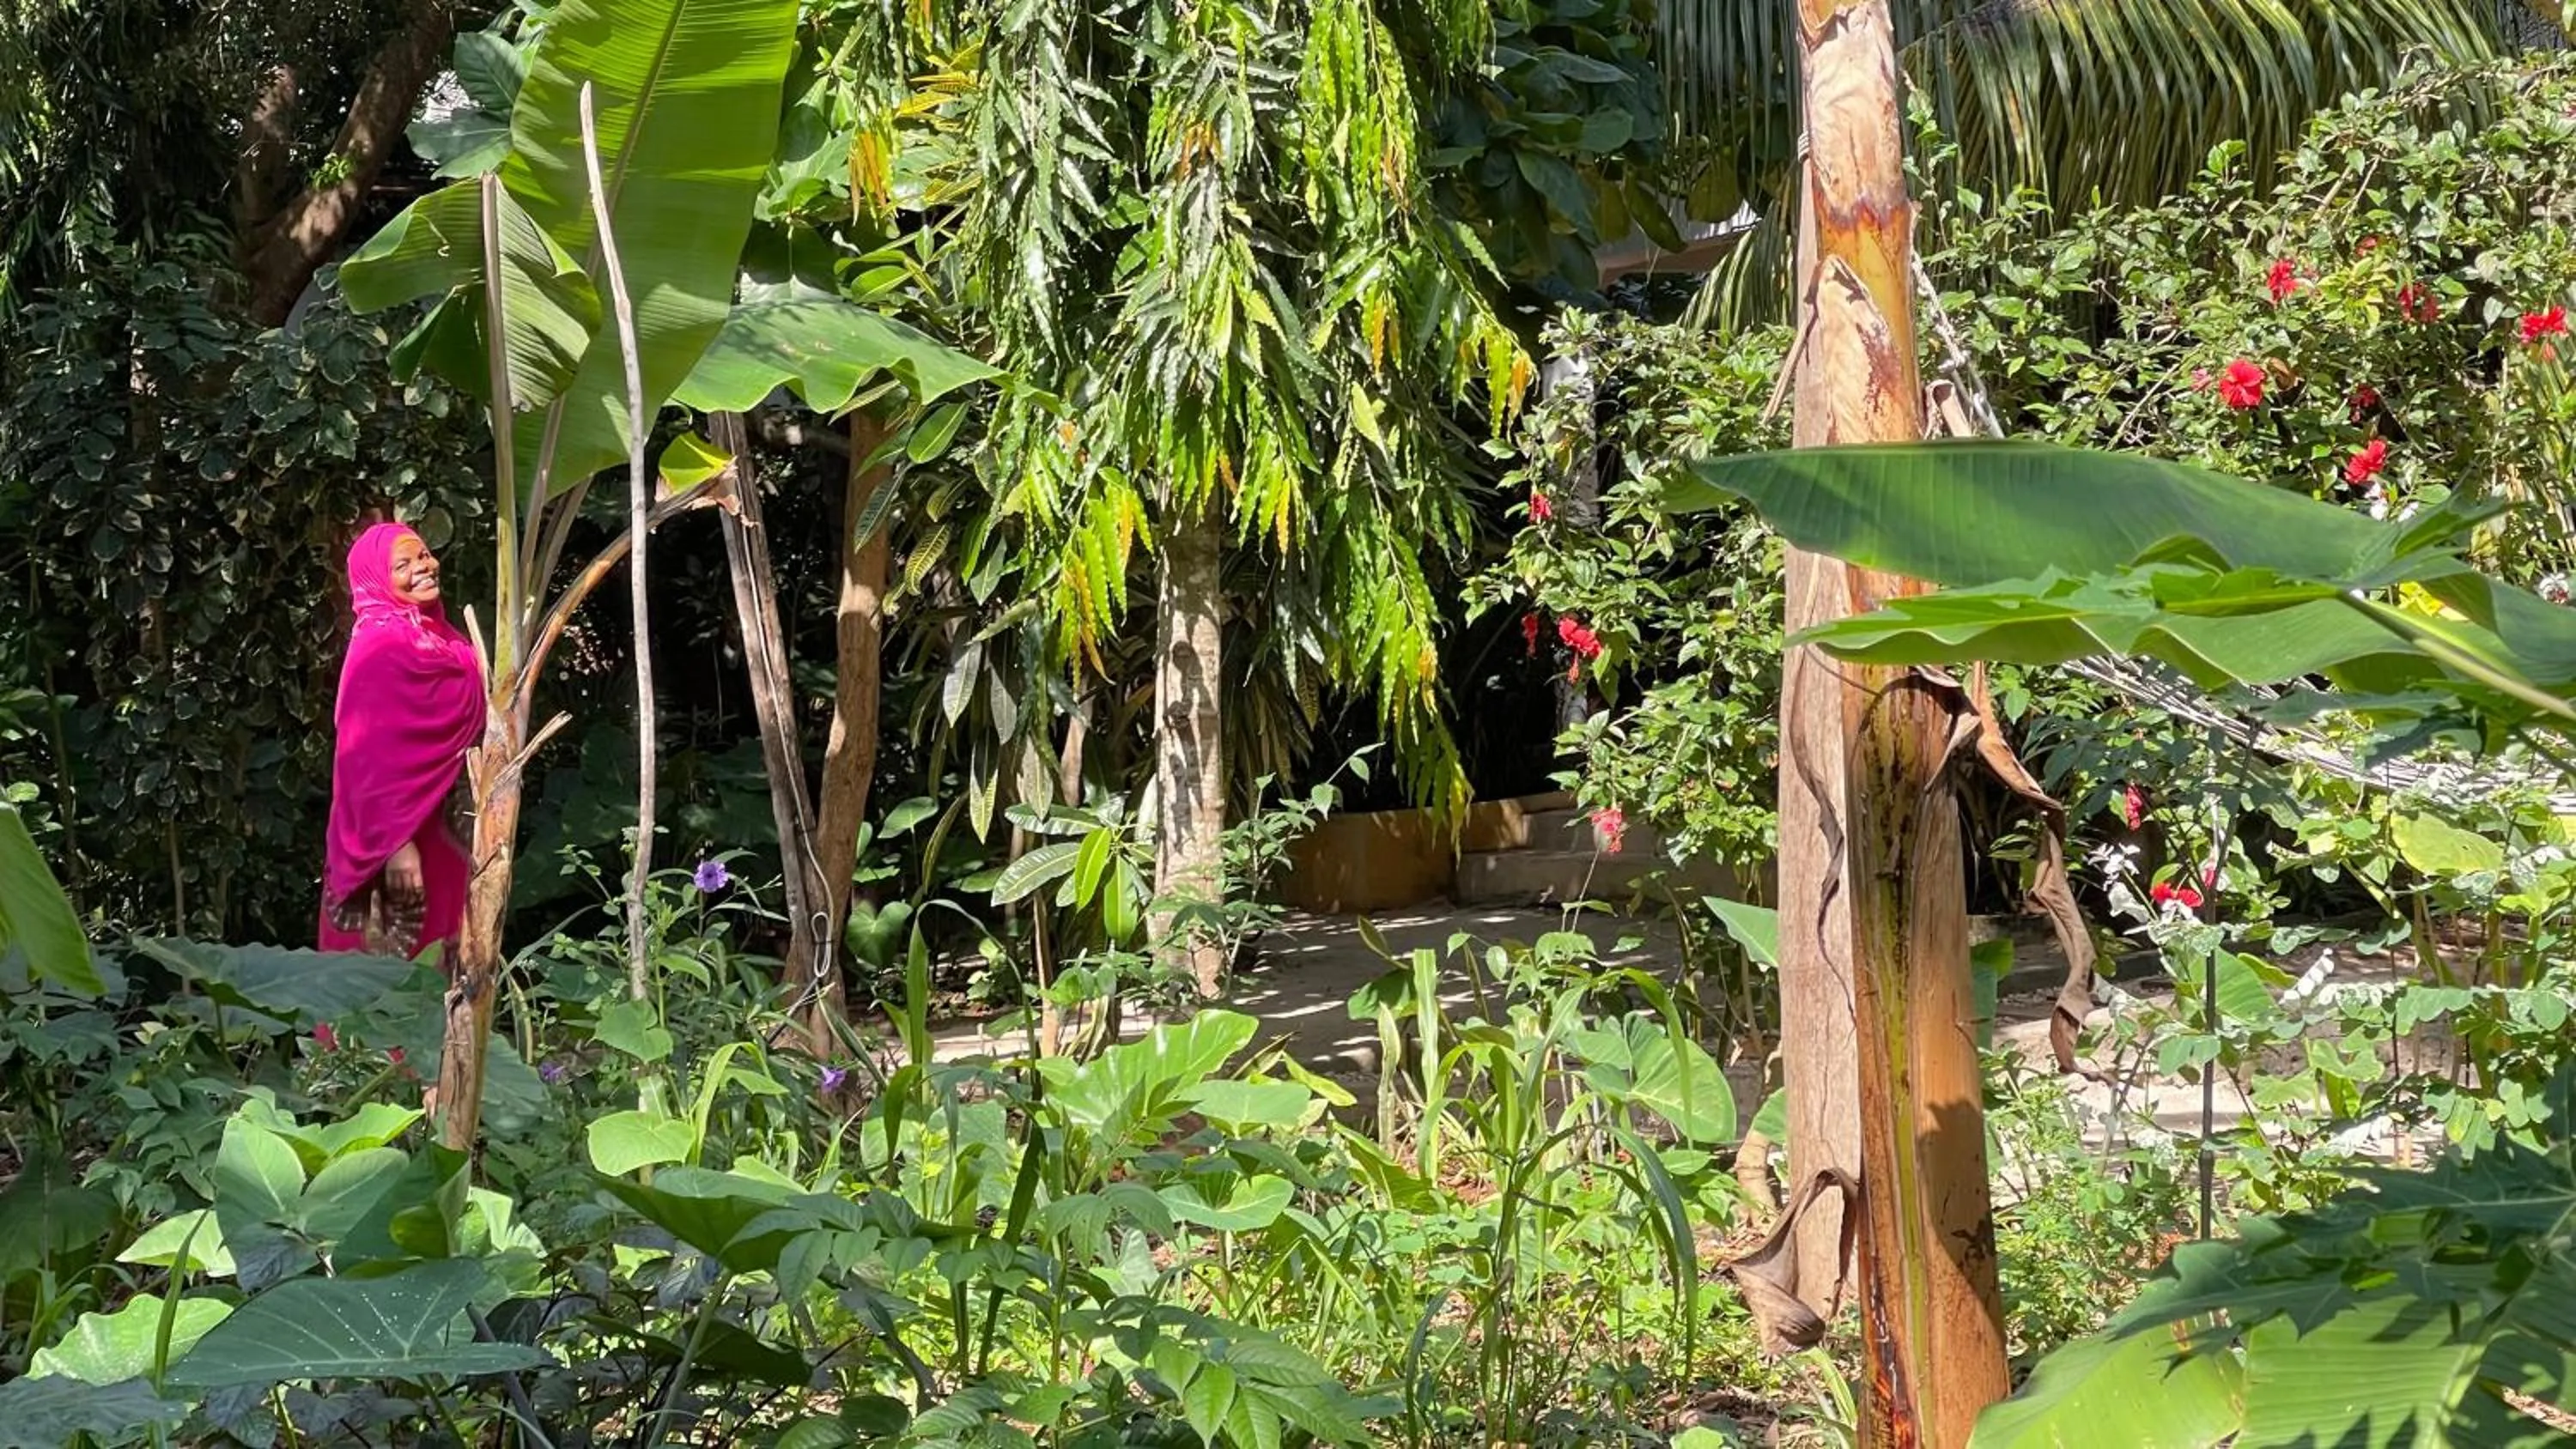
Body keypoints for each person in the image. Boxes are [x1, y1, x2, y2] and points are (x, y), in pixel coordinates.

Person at [319, 522, 483, 965]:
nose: (423, 568)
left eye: (424, 555)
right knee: (388, 976)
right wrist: (394, 845)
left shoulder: (443, 637)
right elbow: (363, 760)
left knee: (443, 965)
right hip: (395, 842)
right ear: (376, 579)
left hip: (445, 827)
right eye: (403, 564)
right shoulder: (380, 645)